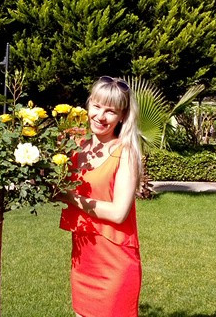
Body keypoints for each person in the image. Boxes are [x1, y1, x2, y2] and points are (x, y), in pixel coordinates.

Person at [59, 76, 143, 317]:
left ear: (122, 116)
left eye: (110, 111)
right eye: (96, 106)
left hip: (115, 263)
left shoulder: (125, 152)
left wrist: (69, 197)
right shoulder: (76, 147)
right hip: (83, 258)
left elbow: (118, 213)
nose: (100, 116)